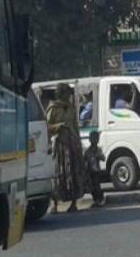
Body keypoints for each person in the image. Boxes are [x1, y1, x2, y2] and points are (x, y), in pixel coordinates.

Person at [45, 84, 84, 213]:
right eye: (67, 93)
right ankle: (54, 204)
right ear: (61, 93)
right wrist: (58, 126)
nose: (69, 95)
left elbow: (75, 126)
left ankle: (74, 203)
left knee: (73, 173)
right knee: (58, 173)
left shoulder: (72, 108)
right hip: (59, 145)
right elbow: (47, 127)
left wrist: (78, 142)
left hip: (72, 144)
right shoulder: (53, 108)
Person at [82, 130, 106, 209]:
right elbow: (84, 159)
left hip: (97, 171)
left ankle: (99, 199)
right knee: (92, 187)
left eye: (96, 138)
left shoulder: (98, 150)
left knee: (97, 186)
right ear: (89, 139)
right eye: (92, 138)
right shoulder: (88, 151)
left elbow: (103, 158)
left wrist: (97, 156)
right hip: (90, 171)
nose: (94, 140)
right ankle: (96, 200)